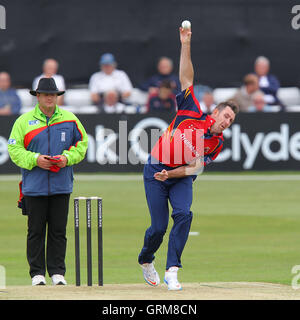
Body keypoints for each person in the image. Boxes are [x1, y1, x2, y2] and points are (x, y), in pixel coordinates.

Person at [138, 25, 239, 291]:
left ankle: (172, 270)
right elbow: (186, 77)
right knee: (158, 228)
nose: (227, 122)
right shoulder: (191, 108)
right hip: (155, 169)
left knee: (183, 214)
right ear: (215, 113)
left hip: (179, 176)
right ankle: (146, 259)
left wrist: (170, 175)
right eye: (226, 116)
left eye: (232, 120)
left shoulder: (216, 143)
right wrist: (185, 44)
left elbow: (194, 168)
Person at [7, 78, 88, 286]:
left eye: (53, 94)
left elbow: (82, 145)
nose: (50, 97)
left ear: (57, 96)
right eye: (45, 94)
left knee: (58, 230)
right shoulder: (23, 121)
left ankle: (57, 273)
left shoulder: (70, 119)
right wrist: (35, 160)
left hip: (61, 185)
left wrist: (66, 159)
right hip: (34, 187)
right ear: (38, 97)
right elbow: (14, 150)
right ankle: (37, 274)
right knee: (35, 231)